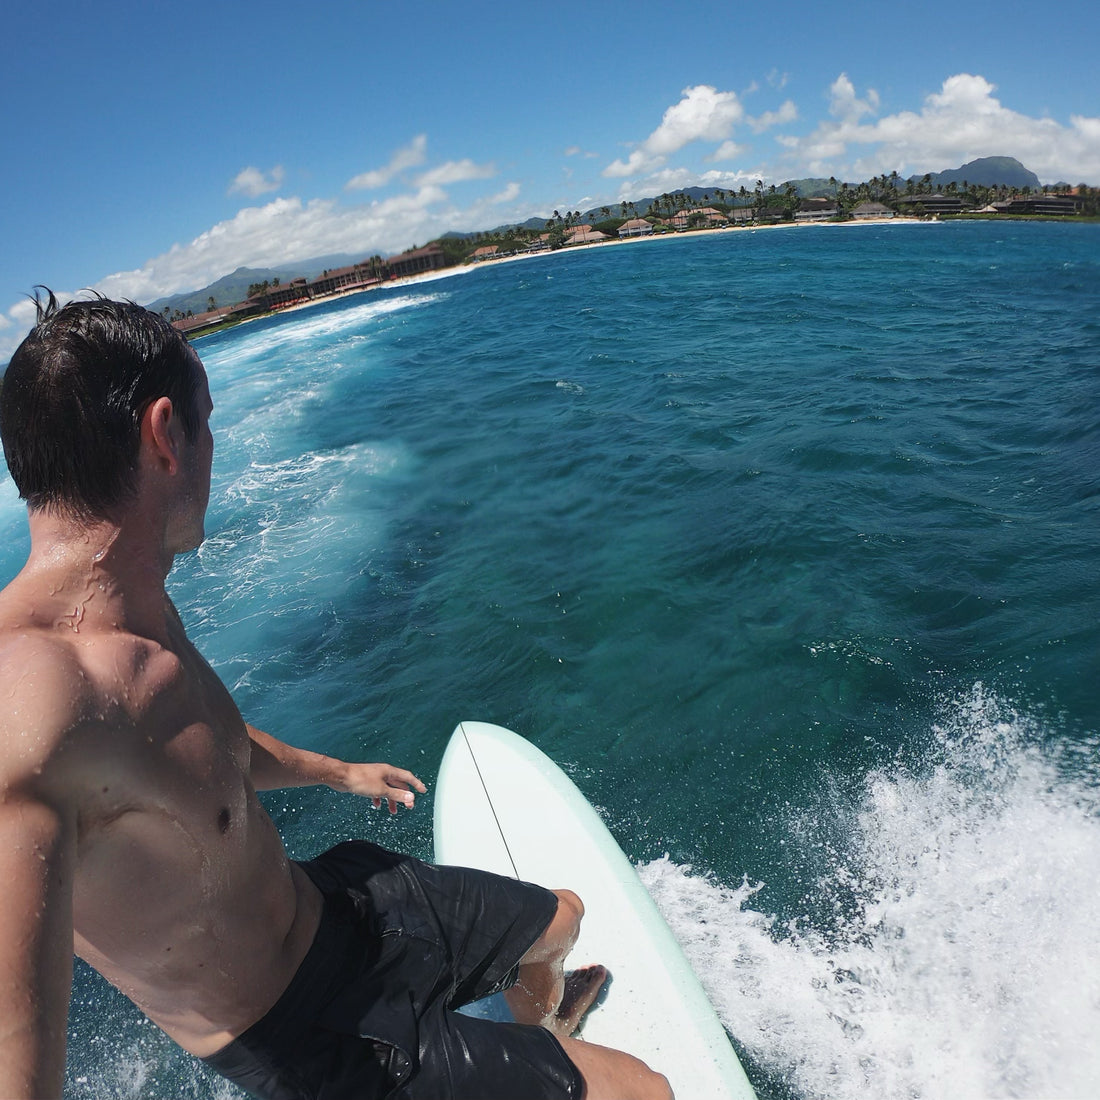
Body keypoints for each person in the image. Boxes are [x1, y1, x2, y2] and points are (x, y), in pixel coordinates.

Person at [0, 292, 673, 1100]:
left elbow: (208, 748)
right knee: (646, 1091)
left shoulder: (136, 603)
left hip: (335, 908)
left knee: (561, 919)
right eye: (209, 424)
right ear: (165, 432)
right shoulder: (32, 710)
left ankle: (538, 1038)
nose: (217, 454)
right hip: (310, 1037)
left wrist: (334, 772)